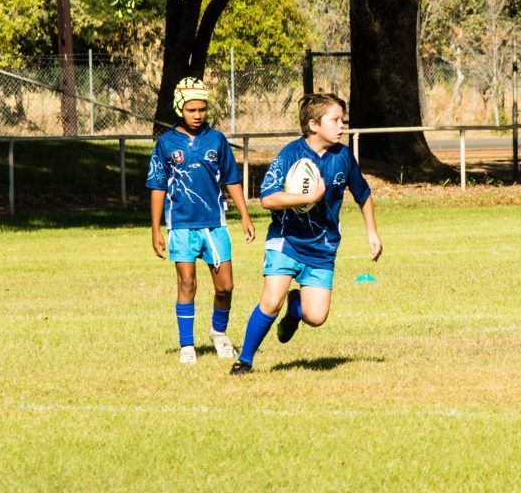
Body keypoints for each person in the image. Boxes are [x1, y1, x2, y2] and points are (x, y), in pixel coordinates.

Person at [230, 93, 381, 375]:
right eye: (335, 120)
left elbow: (363, 193)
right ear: (313, 125)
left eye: (342, 121)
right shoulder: (290, 154)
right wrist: (305, 198)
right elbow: (267, 198)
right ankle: (245, 360)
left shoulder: (343, 157)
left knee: (317, 316)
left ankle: (296, 308)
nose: (341, 126)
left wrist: (372, 232)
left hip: (322, 247)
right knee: (271, 299)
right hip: (286, 240)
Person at [147, 77, 254, 365]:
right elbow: (157, 187)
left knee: (225, 287)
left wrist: (245, 215)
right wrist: (156, 229)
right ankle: (187, 346)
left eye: (202, 109)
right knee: (187, 283)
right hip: (181, 226)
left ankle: (218, 333)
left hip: (214, 225)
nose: (198, 115)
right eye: (192, 110)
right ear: (180, 108)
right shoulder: (166, 144)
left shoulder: (216, 140)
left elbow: (231, 179)